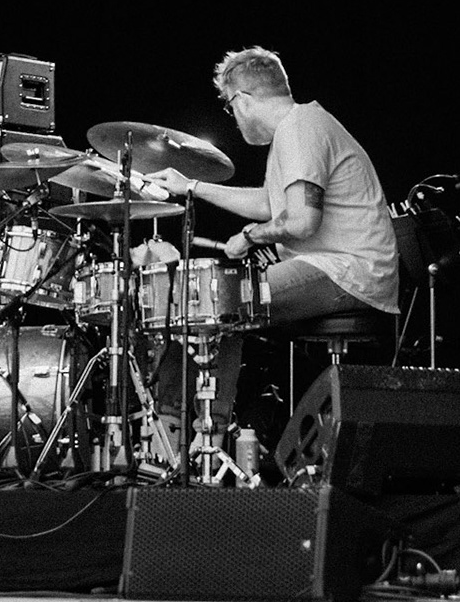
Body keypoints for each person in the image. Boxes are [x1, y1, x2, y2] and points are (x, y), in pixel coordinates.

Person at [147, 47, 399, 445]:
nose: (235, 118)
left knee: (222, 298)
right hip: (335, 266)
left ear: (243, 100)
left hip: (348, 270)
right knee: (215, 298)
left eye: (231, 108)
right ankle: (188, 430)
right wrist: (191, 186)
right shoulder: (299, 127)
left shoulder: (302, 128)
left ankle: (192, 435)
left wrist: (248, 237)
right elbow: (271, 204)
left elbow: (300, 221)